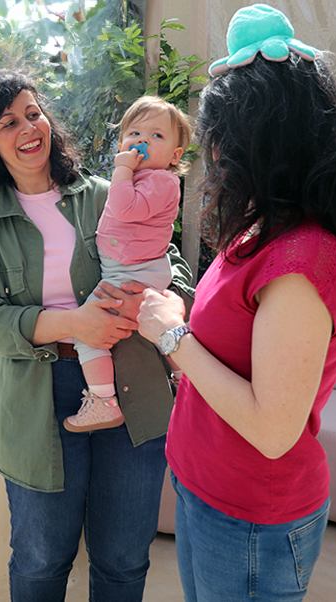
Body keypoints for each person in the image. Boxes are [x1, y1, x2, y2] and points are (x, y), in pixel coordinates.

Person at [136, 5, 336, 601]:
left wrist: (172, 335)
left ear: (262, 140)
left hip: (249, 515)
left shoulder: (305, 262)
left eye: (222, 138)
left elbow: (273, 429)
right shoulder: (266, 228)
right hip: (208, 490)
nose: (215, 154)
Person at [0, 69, 193, 602]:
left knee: (124, 561)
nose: (27, 128)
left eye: (33, 113)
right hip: (39, 403)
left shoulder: (109, 194)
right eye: (7, 123)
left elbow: (174, 267)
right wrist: (73, 324)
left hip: (133, 385)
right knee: (39, 562)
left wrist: (167, 303)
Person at [64, 95, 192, 432]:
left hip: (131, 272)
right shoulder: (145, 179)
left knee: (87, 331)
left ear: (175, 156)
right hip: (132, 267)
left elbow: (124, 209)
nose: (142, 142)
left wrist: (121, 169)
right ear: (121, 141)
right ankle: (184, 379)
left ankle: (103, 400)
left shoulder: (162, 181)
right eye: (134, 134)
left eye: (156, 136)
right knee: (154, 329)